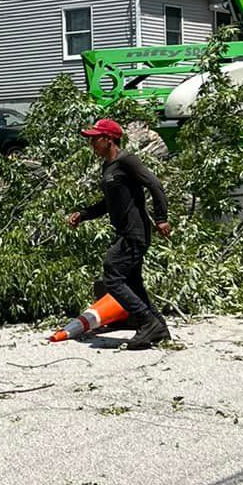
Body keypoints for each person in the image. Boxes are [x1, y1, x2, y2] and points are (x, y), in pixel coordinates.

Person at [64, 118, 173, 350]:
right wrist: (83, 214)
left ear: (108, 139)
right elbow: (108, 203)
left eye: (95, 138)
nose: (91, 143)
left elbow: (155, 185)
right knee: (133, 283)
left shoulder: (127, 161)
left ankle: (147, 322)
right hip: (124, 231)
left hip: (135, 232)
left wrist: (161, 218)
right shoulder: (109, 167)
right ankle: (158, 327)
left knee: (112, 273)